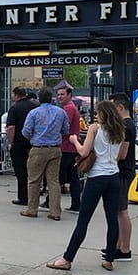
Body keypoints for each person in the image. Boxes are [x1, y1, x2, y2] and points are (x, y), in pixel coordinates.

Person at [46, 100, 125, 272]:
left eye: (97, 112)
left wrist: (74, 140)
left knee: (83, 220)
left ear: (103, 113)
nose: (95, 115)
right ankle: (109, 258)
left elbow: (83, 151)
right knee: (112, 219)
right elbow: (119, 154)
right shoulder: (120, 131)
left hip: (96, 177)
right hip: (113, 176)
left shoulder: (95, 128)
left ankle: (67, 258)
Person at [20, 87, 68, 221]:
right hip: (55, 149)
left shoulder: (34, 113)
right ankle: (55, 212)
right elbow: (65, 130)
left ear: (39, 99)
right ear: (51, 98)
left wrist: (33, 139)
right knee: (53, 181)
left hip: (38, 148)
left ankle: (32, 209)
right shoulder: (60, 112)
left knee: (34, 180)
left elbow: (25, 131)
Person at [110, 92, 136, 261]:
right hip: (127, 170)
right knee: (120, 210)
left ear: (120, 107)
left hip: (122, 171)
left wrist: (110, 158)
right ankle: (120, 245)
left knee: (121, 210)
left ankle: (124, 248)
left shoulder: (125, 126)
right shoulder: (129, 124)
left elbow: (123, 153)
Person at [5, 87, 37, 206]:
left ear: (16, 95)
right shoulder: (35, 106)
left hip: (19, 143)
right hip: (33, 143)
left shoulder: (14, 108)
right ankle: (34, 196)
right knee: (34, 171)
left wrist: (10, 143)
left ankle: (23, 197)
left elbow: (11, 127)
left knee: (21, 171)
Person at [55, 85, 82, 213]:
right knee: (72, 177)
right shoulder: (71, 108)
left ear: (69, 95)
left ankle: (51, 200)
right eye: (58, 94)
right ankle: (76, 204)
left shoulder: (68, 109)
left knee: (57, 175)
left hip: (66, 146)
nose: (59, 97)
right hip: (71, 146)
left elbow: (64, 127)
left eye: (62, 94)